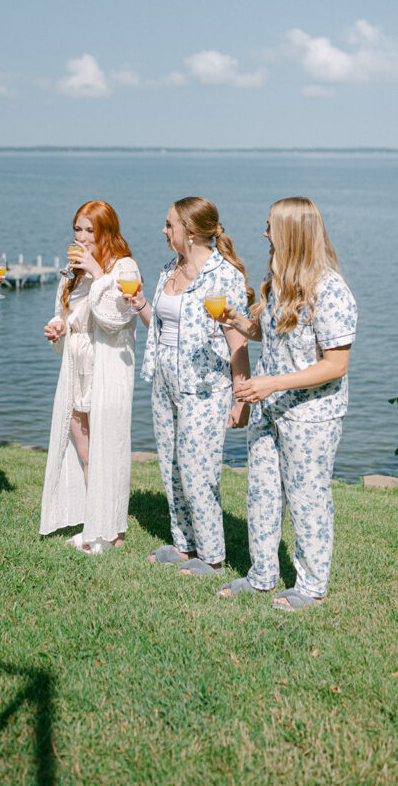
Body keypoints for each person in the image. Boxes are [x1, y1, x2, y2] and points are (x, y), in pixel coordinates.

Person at [217, 197, 357, 609]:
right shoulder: (278, 278)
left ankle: (311, 587)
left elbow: (336, 365)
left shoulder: (331, 291)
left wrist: (270, 384)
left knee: (307, 499)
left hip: (311, 416)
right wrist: (237, 321)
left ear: (292, 234)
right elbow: (270, 333)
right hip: (270, 407)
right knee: (260, 493)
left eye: (270, 227)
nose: (263, 234)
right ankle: (262, 576)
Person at [131, 197, 251, 576]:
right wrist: (140, 305)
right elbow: (167, 331)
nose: (164, 231)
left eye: (170, 225)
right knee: (170, 464)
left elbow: (238, 342)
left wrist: (241, 397)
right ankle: (184, 545)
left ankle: (212, 557)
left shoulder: (224, 276)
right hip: (165, 381)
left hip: (205, 387)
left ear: (192, 232)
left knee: (198, 468)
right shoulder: (172, 267)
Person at [40, 200, 140, 553]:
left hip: (108, 368)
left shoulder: (123, 267)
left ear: (106, 232)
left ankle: (113, 533)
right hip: (76, 368)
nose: (81, 237)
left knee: (107, 449)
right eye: (77, 229)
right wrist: (59, 328)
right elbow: (66, 315)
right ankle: (94, 524)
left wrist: (99, 273)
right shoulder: (72, 271)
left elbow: (116, 320)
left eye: (89, 230)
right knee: (85, 452)